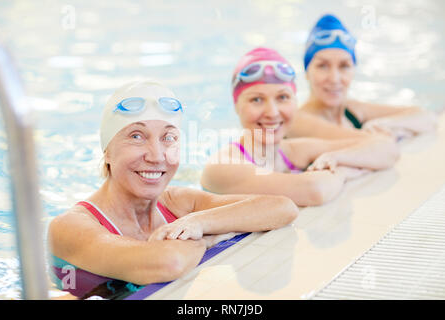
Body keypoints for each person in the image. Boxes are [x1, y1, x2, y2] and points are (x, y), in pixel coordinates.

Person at [47, 80, 298, 298]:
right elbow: (168, 262)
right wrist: (209, 237)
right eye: (136, 136)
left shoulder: (178, 204)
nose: (157, 156)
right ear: (107, 151)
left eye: (168, 138)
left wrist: (200, 223)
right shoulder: (70, 227)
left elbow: (282, 207)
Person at [200, 47, 399, 207]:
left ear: (295, 102)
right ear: (236, 106)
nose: (272, 112)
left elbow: (386, 148)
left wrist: (337, 158)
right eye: (257, 99)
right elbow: (314, 190)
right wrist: (344, 171)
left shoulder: (292, 151)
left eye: (282, 97)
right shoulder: (222, 166)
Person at [286, 14, 437, 141]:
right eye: (323, 66)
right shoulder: (298, 121)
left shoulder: (352, 110)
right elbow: (370, 143)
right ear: (307, 71)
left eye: (344, 66)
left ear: (353, 70)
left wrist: (385, 124)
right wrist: (394, 130)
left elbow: (425, 116)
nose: (334, 78)